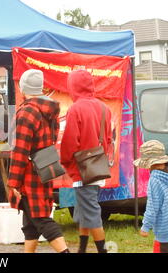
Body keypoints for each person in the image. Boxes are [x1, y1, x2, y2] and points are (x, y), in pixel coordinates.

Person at [8, 69, 70, 253]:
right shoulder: (49, 109)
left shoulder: (27, 112)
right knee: (30, 222)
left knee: (41, 218)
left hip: (29, 172)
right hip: (45, 166)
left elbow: (20, 150)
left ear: (22, 87)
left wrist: (13, 183)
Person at [60, 69, 112, 253]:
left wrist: (64, 161)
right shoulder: (104, 108)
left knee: (90, 212)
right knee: (84, 210)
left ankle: (103, 250)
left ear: (73, 86)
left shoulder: (76, 108)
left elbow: (69, 142)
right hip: (97, 166)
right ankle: (81, 249)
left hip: (82, 168)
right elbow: (107, 140)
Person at [135, 140, 168, 253]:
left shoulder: (155, 179)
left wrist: (145, 226)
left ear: (150, 163)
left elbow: (152, 206)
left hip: (166, 225)